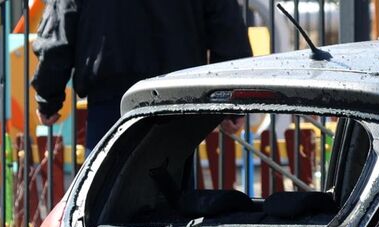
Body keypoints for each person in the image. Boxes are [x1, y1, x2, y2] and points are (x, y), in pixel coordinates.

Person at [32, 0, 253, 151]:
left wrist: (48, 96)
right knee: (175, 201)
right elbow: (226, 25)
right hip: (177, 96)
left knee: (105, 199)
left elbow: (61, 23)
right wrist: (229, 103)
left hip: (111, 98)